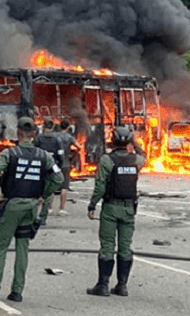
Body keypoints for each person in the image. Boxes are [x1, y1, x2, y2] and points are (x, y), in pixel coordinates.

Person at [0, 117, 63, 303]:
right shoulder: (45, 156)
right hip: (31, 207)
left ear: (18, 132)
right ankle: (17, 292)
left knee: (0, 248)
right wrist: (44, 193)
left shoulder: (9, 154)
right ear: (34, 133)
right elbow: (58, 178)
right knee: (22, 248)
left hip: (11, 205)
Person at [86, 125, 146, 297]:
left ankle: (103, 285)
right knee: (125, 247)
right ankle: (122, 285)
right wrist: (134, 142)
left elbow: (100, 186)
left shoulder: (107, 160)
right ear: (129, 141)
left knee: (107, 246)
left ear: (112, 140)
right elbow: (144, 156)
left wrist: (92, 205)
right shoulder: (136, 160)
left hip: (111, 208)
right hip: (129, 209)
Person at [33, 119, 69, 216]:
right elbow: (60, 153)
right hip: (53, 166)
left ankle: (48, 208)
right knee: (53, 186)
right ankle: (58, 209)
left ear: (44, 126)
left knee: (42, 187)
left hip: (41, 166)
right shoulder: (57, 139)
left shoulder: (38, 138)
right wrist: (59, 166)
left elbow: (33, 152)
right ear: (52, 127)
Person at [55, 119, 77, 214]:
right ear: (68, 127)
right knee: (64, 187)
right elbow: (78, 147)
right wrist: (73, 153)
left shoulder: (55, 136)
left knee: (52, 186)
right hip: (65, 163)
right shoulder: (69, 137)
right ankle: (62, 209)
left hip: (55, 164)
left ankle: (49, 208)